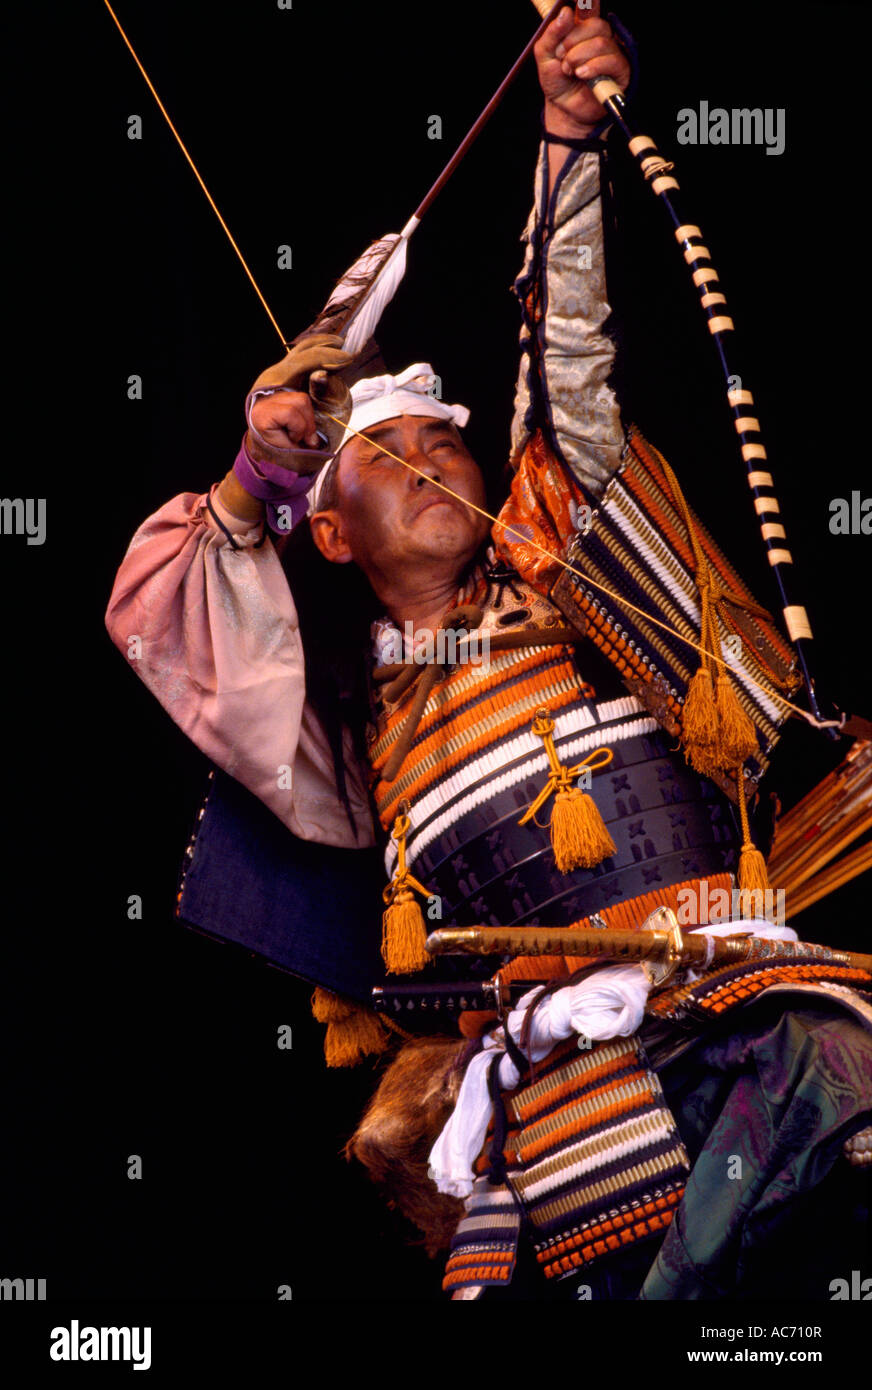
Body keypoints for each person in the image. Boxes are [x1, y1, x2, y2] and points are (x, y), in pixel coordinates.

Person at [106, 6, 872, 1300]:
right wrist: (254, 479)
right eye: (387, 456)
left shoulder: (579, 587)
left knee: (836, 1087)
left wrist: (565, 145)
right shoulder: (352, 736)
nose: (434, 455)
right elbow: (167, 613)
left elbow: (568, 379)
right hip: (552, 1124)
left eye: (445, 437)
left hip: (729, 1032)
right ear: (335, 536)